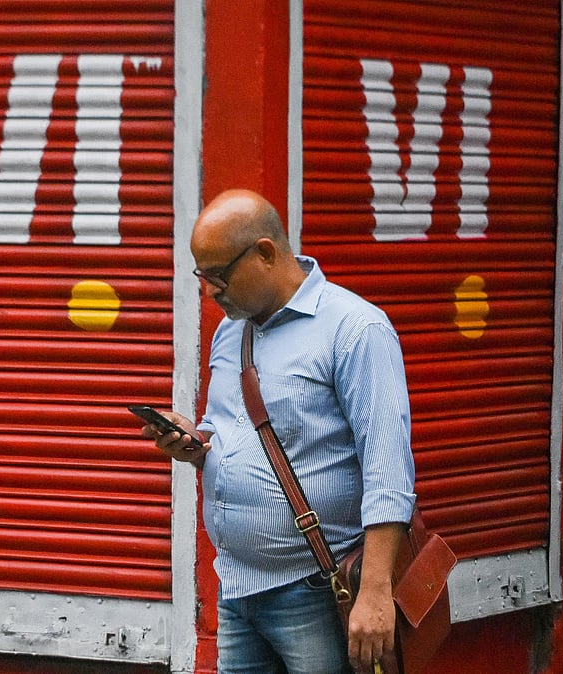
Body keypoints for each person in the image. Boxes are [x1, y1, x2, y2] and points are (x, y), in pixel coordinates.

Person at [140, 189, 417, 674]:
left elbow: (388, 470)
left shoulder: (355, 329)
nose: (209, 291)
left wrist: (375, 593)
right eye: (202, 277)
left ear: (265, 253)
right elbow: (231, 431)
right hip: (237, 590)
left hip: (315, 590)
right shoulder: (232, 330)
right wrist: (196, 444)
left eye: (218, 276)